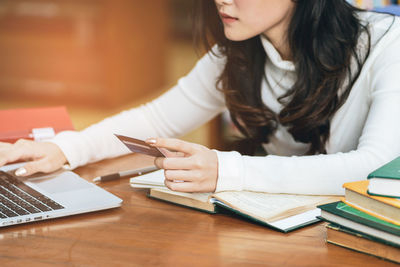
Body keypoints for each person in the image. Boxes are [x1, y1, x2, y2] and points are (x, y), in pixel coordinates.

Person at [1, 0, 400, 195]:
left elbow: (376, 169)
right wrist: (65, 148)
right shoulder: (240, 50)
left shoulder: (387, 45)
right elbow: (155, 122)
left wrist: (227, 171)